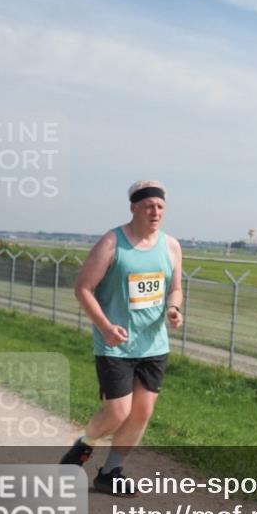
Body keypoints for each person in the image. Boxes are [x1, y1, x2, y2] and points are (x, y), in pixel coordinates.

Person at [59, 180, 184, 497]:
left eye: (160, 206)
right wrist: (104, 327)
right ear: (133, 208)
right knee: (117, 411)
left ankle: (111, 473)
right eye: (148, 206)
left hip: (153, 345)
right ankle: (83, 448)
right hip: (115, 343)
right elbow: (83, 288)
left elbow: (175, 287)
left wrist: (173, 308)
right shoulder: (112, 243)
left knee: (142, 412)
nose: (155, 212)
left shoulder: (170, 246)